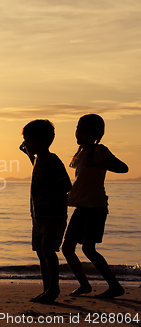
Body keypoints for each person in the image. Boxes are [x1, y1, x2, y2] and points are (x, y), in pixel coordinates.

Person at [62, 114, 128, 299]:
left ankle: (115, 286)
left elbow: (124, 168)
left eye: (83, 130)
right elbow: (80, 181)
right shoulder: (80, 153)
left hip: (96, 207)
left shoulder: (99, 150)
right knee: (67, 248)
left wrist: (100, 164)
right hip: (81, 207)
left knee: (88, 249)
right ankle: (84, 285)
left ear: (97, 133)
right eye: (77, 129)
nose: (79, 133)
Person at [20, 119, 72, 303]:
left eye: (29, 140)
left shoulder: (52, 160)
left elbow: (66, 185)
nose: (25, 143)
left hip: (53, 215)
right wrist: (26, 149)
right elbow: (27, 152)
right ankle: (47, 289)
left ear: (43, 141)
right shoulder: (37, 160)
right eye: (24, 140)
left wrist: (47, 198)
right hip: (38, 216)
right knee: (41, 251)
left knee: (47, 250)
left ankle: (53, 289)